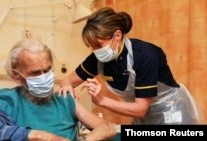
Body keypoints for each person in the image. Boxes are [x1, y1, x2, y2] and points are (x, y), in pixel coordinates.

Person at [58, 7, 200, 124]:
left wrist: (101, 100)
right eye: (91, 47)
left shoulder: (146, 56)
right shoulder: (97, 58)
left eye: (98, 45)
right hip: (142, 115)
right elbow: (68, 81)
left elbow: (141, 109)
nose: (95, 51)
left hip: (171, 110)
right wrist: (68, 90)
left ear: (117, 35)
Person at [0, 39, 116, 141]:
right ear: (17, 75)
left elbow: (107, 127)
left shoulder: (64, 100)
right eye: (35, 73)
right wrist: (37, 135)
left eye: (47, 70)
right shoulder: (8, 99)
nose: (43, 77)